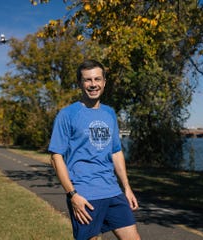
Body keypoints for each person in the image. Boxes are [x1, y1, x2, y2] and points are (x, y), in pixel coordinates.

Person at [48, 59, 140, 240]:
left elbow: (115, 151)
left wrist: (127, 188)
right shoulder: (67, 114)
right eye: (88, 80)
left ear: (104, 82)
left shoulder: (109, 113)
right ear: (80, 83)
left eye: (97, 79)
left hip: (113, 191)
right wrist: (72, 194)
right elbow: (56, 157)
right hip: (85, 195)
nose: (93, 84)